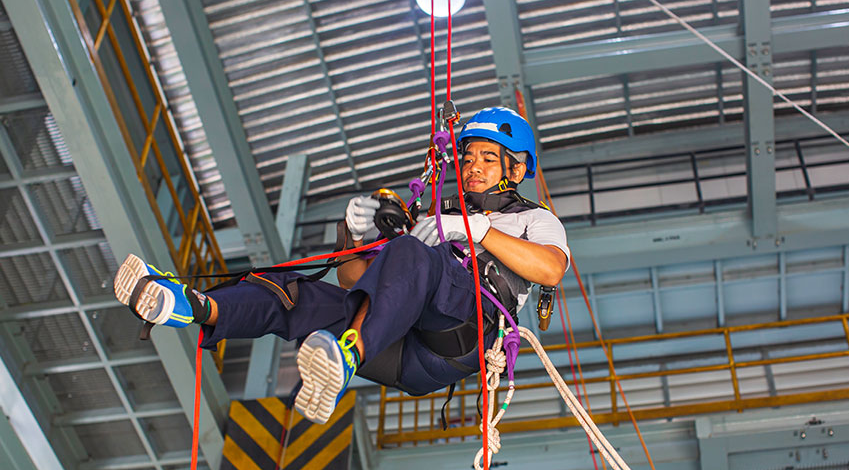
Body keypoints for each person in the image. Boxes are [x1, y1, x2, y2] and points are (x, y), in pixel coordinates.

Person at [113, 107, 569, 424]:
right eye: (468, 157)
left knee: (413, 255)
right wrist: (355, 235)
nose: (473, 167)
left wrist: (475, 231)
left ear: (517, 165)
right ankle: (190, 306)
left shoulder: (532, 219)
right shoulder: (438, 217)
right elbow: (354, 279)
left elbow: (550, 269)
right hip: (395, 345)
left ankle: (345, 354)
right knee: (294, 294)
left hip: (457, 336)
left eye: (488, 159)